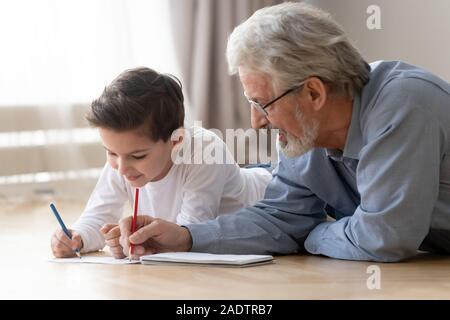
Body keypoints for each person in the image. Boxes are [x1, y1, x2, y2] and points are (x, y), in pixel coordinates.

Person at [117, 2, 450, 262]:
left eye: (264, 104)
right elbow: (280, 219)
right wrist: (185, 237)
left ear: (314, 93)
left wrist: (317, 233)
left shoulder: (403, 104)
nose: (257, 122)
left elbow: (385, 238)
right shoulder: (305, 136)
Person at [50, 67, 272, 258]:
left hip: (271, 193)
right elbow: (98, 216)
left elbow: (189, 234)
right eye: (111, 153)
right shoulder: (123, 160)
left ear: (176, 141)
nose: (122, 168)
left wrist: (133, 241)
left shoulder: (206, 150)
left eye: (138, 156)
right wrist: (76, 239)